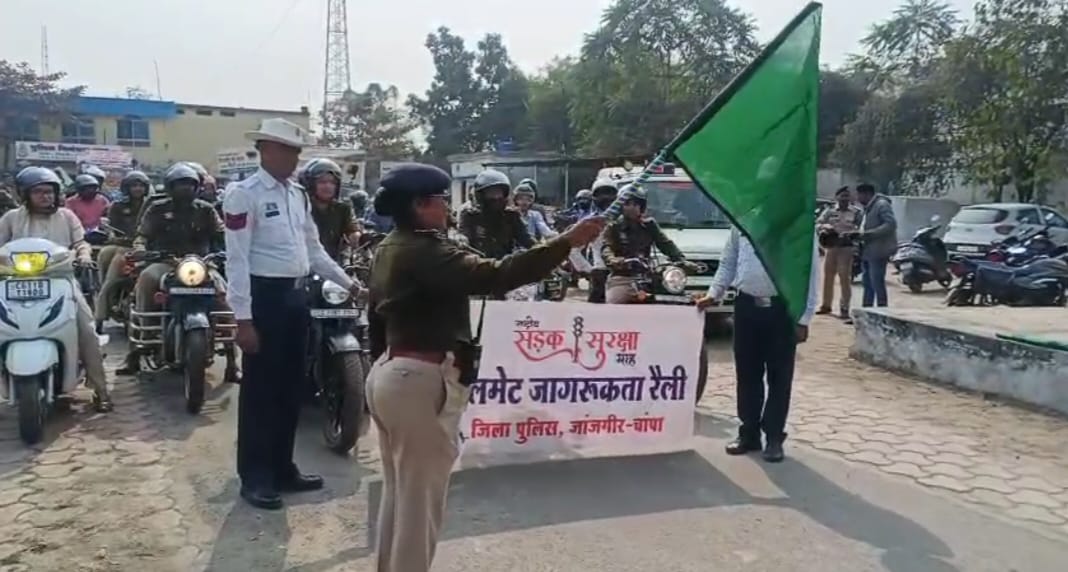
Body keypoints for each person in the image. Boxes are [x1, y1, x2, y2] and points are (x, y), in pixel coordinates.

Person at [365, 162, 606, 572]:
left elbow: (376, 319)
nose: (446, 208)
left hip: (392, 373)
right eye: (441, 201)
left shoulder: (393, 245)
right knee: (419, 509)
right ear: (420, 205)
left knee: (401, 499)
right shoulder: (423, 250)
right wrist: (565, 242)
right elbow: (495, 275)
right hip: (419, 378)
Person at [223, 118, 362, 510]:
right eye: (287, 150)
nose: (293, 158)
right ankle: (255, 476)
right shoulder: (242, 194)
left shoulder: (297, 195)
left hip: (296, 298)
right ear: (265, 149)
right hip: (263, 299)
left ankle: (283, 468)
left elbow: (314, 251)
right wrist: (244, 320)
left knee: (290, 390)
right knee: (260, 394)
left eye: (297, 151)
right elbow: (236, 260)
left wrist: (349, 283)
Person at [694, 227, 819, 462]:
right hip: (746, 307)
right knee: (747, 373)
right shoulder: (741, 222)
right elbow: (728, 262)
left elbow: (810, 272)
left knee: (779, 376)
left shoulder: (796, 222)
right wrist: (714, 293)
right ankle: (749, 433)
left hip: (783, 309)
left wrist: (804, 318)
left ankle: (773, 437)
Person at [0, 167, 112, 412]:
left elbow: (80, 243)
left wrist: (83, 256)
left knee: (87, 330)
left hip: (61, 281)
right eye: (38, 192)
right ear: (24, 194)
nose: (45, 197)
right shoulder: (11, 219)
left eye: (49, 192)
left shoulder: (67, 216)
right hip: (14, 284)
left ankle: (101, 390)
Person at [117, 164, 230, 375]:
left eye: (190, 184)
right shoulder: (157, 208)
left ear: (197, 187)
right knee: (146, 280)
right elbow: (142, 236)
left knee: (222, 290)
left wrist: (228, 250)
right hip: (165, 261)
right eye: (180, 185)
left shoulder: (206, 209)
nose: (185, 189)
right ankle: (141, 343)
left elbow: (221, 235)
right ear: (170, 187)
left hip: (201, 263)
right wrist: (140, 249)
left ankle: (232, 355)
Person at [602, 186, 696, 303]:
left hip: (647, 276)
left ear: (642, 207)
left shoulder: (649, 225)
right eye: (628, 204)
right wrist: (616, 261)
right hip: (622, 277)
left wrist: (682, 260)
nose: (632, 208)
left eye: (636, 204)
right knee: (615, 301)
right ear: (621, 206)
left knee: (672, 300)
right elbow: (607, 248)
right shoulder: (613, 227)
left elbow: (665, 244)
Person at [94, 170, 150, 329]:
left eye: (140, 185)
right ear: (127, 188)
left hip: (147, 248)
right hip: (124, 247)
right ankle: (100, 314)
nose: (138, 189)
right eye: (134, 186)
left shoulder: (152, 205)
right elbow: (112, 227)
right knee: (110, 279)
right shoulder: (118, 206)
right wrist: (113, 235)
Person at [458, 169, 534, 260]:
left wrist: (545, 250)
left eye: (499, 192)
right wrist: (461, 239)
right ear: (481, 195)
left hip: (505, 267)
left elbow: (527, 240)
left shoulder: (511, 216)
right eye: (491, 193)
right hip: (479, 267)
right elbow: (464, 236)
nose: (496, 197)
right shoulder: (470, 216)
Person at [300, 158, 360, 262]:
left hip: (334, 264)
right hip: (304, 264)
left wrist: (356, 236)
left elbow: (352, 230)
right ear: (310, 184)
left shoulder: (343, 209)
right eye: (322, 182)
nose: (328, 186)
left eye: (332, 182)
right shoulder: (300, 207)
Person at [816, 186, 862, 319]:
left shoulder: (856, 212)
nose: (845, 198)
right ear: (837, 197)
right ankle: (826, 305)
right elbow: (818, 223)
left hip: (846, 248)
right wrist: (825, 227)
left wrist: (853, 233)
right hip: (831, 247)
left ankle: (844, 308)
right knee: (828, 277)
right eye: (842, 196)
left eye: (847, 196)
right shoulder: (829, 211)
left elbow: (861, 228)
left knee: (844, 278)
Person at [853, 183, 897, 308]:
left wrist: (868, 234)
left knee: (877, 283)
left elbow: (890, 225)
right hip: (867, 250)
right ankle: (867, 312)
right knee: (867, 284)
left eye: (859, 195)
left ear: (866, 194)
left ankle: (883, 312)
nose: (858, 198)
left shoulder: (881, 205)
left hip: (878, 250)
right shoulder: (867, 207)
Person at [586, 178, 619, 303]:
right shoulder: (590, 221)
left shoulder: (623, 219)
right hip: (600, 271)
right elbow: (574, 249)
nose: (606, 197)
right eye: (601, 194)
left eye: (609, 193)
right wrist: (589, 270)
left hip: (623, 271)